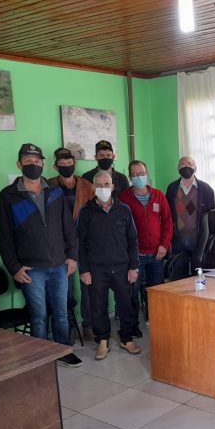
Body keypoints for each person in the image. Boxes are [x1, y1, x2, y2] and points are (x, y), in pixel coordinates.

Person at [0, 143, 80, 359]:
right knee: (38, 316)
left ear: (43, 164)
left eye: (37, 161)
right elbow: (5, 236)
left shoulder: (54, 192)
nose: (33, 164)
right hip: (31, 268)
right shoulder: (8, 196)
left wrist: (72, 257)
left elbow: (68, 228)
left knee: (61, 312)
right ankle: (41, 358)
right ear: (19, 164)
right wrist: (13, 267)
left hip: (59, 265)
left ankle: (63, 351)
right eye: (28, 161)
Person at [78, 170, 141, 360]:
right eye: (99, 185)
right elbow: (80, 243)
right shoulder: (86, 212)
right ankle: (103, 340)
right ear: (93, 188)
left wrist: (134, 266)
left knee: (126, 305)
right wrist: (84, 270)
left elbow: (132, 240)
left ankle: (126, 338)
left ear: (112, 187)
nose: (103, 188)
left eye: (106, 185)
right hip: (97, 269)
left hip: (122, 267)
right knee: (98, 307)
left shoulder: (124, 210)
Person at [49, 147, 96, 342]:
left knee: (88, 286)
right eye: (62, 164)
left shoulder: (86, 186)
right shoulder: (49, 186)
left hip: (84, 242)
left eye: (69, 163)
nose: (66, 167)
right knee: (64, 289)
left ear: (74, 164)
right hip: (60, 244)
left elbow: (94, 213)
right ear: (55, 166)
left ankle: (89, 325)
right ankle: (68, 327)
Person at [119, 160, 173, 322]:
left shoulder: (158, 195)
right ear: (130, 177)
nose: (139, 177)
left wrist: (164, 245)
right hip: (135, 255)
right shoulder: (123, 198)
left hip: (157, 253)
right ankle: (132, 324)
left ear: (147, 174)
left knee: (155, 290)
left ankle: (154, 320)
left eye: (142, 173)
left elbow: (168, 222)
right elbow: (121, 228)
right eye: (135, 174)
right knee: (133, 291)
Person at [165, 155, 215, 276]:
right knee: (178, 274)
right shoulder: (172, 188)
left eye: (189, 164)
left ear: (195, 168)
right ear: (178, 169)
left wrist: (209, 240)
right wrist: (168, 240)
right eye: (182, 165)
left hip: (199, 239)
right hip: (178, 239)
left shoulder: (206, 189)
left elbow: (211, 217)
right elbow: (167, 216)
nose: (185, 167)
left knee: (198, 273)